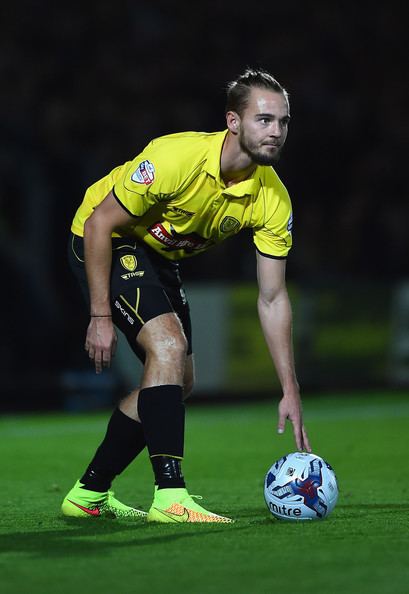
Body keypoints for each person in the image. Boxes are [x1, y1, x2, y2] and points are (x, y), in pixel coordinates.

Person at [61, 68, 311, 524]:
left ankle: (88, 493)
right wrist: (99, 315)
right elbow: (100, 223)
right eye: (264, 120)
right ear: (233, 122)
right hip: (105, 237)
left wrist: (289, 387)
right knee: (168, 347)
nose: (275, 132)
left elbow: (273, 297)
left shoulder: (273, 198)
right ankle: (170, 496)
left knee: (179, 380)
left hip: (157, 255)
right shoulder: (175, 157)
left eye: (283, 121)